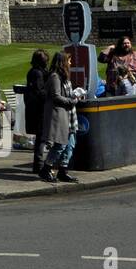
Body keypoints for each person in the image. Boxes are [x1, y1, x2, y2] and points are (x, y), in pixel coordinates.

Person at [38, 53, 82, 183]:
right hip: (60, 115)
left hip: (70, 115)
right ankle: (46, 168)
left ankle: (63, 170)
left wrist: (76, 95)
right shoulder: (55, 77)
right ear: (62, 62)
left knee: (70, 145)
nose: (70, 63)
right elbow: (56, 96)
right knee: (60, 145)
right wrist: (72, 101)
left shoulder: (64, 77)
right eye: (68, 61)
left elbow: (67, 94)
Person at [23, 49, 49, 173]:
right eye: (45, 61)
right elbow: (40, 92)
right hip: (39, 110)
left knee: (41, 137)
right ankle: (38, 165)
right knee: (41, 138)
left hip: (35, 108)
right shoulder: (37, 73)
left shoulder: (35, 72)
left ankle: (38, 164)